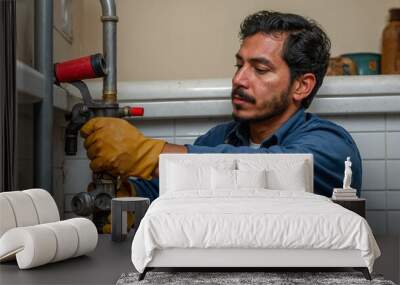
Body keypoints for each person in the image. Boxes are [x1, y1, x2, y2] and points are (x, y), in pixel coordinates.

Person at [80, 10, 362, 201]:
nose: (239, 78)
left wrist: (149, 155)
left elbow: (274, 172)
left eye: (260, 69)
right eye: (239, 65)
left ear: (302, 86)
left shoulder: (332, 148)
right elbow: (162, 192)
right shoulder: (219, 138)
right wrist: (124, 196)